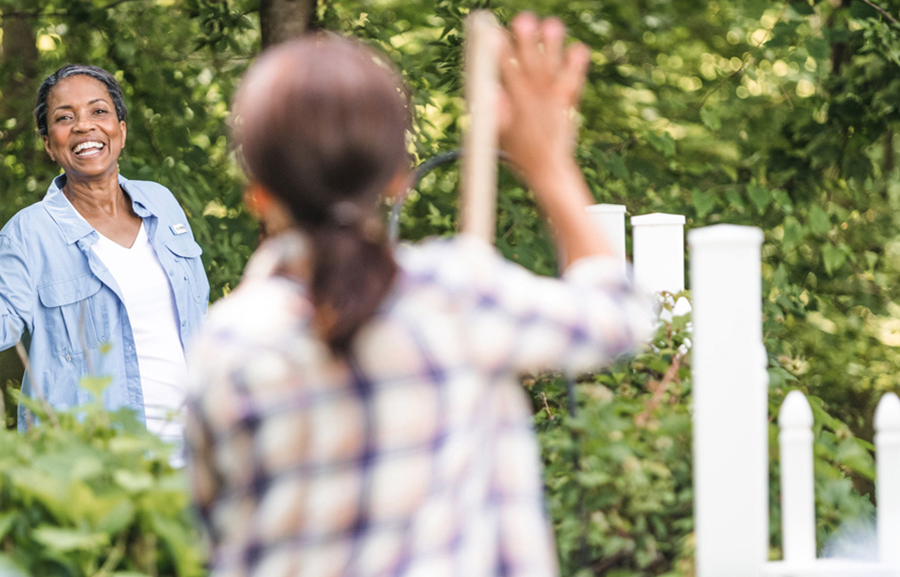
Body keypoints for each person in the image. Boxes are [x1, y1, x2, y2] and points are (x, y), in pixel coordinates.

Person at [184, 13, 654, 576]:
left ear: (257, 195)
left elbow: (213, 534)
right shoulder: (454, 295)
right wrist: (549, 165)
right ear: (397, 178)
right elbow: (621, 317)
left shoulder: (225, 344)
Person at [0, 65, 210, 447]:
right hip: (93, 464)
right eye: (64, 118)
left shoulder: (161, 202)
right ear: (49, 145)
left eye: (98, 111)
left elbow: (198, 323)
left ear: (121, 129)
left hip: (197, 454)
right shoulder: (30, 232)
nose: (84, 126)